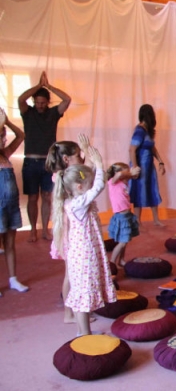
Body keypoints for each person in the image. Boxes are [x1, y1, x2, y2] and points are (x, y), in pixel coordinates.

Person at [51, 146, 116, 336]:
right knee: (83, 295)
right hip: (84, 256)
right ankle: (84, 334)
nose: (91, 187)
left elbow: (91, 183)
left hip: (81, 255)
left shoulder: (73, 201)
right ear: (80, 187)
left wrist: (93, 166)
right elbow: (99, 187)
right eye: (88, 184)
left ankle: (83, 332)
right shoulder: (78, 204)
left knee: (82, 293)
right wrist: (99, 164)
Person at [18, 71, 71, 242]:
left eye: (43, 103)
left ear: (48, 102)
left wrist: (48, 86)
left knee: (47, 197)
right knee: (33, 197)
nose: (40, 106)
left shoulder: (53, 113)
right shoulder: (28, 112)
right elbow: (21, 99)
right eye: (37, 102)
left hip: (49, 162)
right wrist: (38, 86)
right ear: (34, 101)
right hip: (31, 161)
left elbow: (67, 99)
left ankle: (45, 230)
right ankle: (33, 230)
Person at [46, 136, 93, 323]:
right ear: (66, 159)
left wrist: (86, 153)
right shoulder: (64, 177)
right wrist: (88, 151)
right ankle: (69, 313)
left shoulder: (66, 175)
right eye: (78, 155)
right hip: (70, 233)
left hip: (72, 230)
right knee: (70, 275)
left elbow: (86, 173)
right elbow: (88, 172)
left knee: (72, 274)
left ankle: (75, 311)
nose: (81, 159)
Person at [0, 111, 29, 295]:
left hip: (11, 206)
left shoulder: (6, 154)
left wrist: (7, 122)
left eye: (4, 136)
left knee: (10, 244)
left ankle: (13, 279)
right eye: (1, 136)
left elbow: (21, 135)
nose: (4, 139)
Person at [129, 104, 166, 227]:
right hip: (140, 167)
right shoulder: (139, 130)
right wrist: (135, 168)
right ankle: (137, 220)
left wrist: (160, 161)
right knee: (138, 192)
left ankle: (156, 219)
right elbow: (132, 150)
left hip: (149, 167)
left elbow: (152, 148)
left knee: (152, 190)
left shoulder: (147, 131)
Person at [106, 162, 141, 267]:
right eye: (127, 171)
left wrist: (134, 171)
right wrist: (130, 173)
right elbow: (120, 174)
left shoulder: (124, 182)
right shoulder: (112, 182)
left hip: (127, 215)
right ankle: (112, 263)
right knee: (123, 242)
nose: (128, 173)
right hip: (121, 217)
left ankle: (121, 260)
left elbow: (134, 176)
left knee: (125, 240)